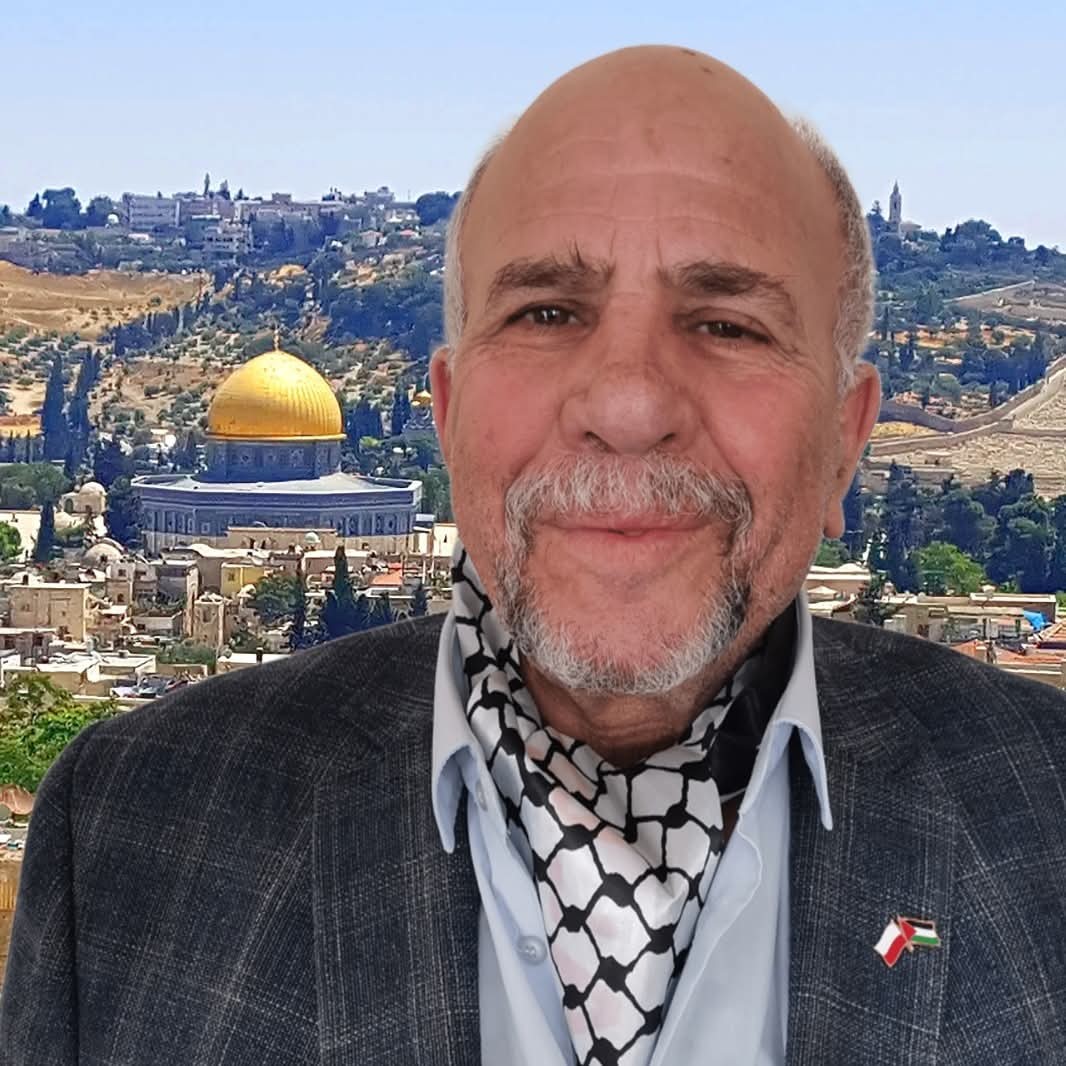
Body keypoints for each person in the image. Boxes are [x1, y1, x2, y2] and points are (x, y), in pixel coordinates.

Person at [4, 45, 1066, 1066]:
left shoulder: (1045, 815)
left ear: (845, 439)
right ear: (448, 415)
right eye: (547, 312)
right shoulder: (134, 834)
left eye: (727, 325)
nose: (628, 406)